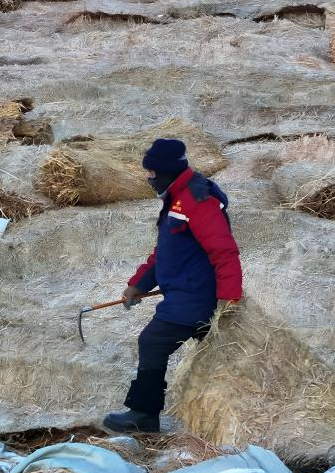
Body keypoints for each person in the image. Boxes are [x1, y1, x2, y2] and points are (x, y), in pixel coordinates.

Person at [103, 138, 242, 433]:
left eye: (152, 172)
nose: (148, 178)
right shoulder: (177, 197)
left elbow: (224, 251)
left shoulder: (198, 200)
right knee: (203, 350)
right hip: (183, 290)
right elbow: (166, 251)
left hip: (195, 295)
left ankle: (144, 414)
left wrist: (229, 298)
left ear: (166, 171)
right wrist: (138, 284)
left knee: (152, 342)